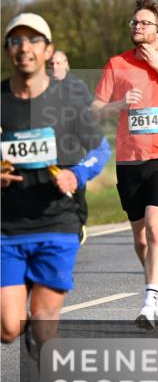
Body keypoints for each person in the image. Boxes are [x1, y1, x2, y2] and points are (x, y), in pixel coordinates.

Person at [2, 13, 110, 351]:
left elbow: (100, 149)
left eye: (33, 40)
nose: (24, 47)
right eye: (16, 40)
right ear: (8, 50)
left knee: (45, 332)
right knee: (7, 329)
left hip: (56, 223)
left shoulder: (68, 102)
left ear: (48, 51)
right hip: (7, 227)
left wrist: (76, 174)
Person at [91, 0, 158, 330]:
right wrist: (120, 103)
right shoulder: (116, 63)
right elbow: (95, 110)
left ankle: (150, 299)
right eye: (134, 22)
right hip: (129, 161)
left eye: (144, 23)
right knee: (140, 241)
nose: (137, 27)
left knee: (155, 227)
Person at [50, 49, 94, 244]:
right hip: (51, 149)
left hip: (73, 146)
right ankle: (60, 228)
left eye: (58, 63)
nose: (55, 67)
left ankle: (79, 222)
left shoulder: (77, 86)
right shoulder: (42, 86)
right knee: (54, 189)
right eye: (51, 64)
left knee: (77, 189)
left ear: (66, 64)